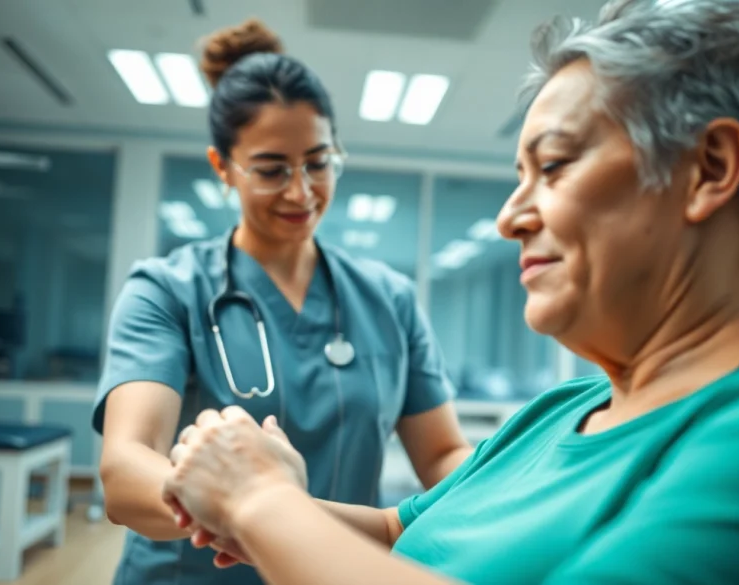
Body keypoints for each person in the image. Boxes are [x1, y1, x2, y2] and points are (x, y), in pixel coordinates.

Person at [159, 0, 739, 584]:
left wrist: (264, 503)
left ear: (708, 168)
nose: (509, 216)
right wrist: (258, 497)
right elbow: (397, 532)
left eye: (552, 167)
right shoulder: (557, 414)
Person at [92, 17, 472, 585]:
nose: (301, 191)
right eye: (272, 170)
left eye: (319, 163)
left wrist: (511, 495)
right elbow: (125, 470)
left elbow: (442, 455)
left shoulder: (389, 299)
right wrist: (247, 506)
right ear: (223, 168)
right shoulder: (168, 290)